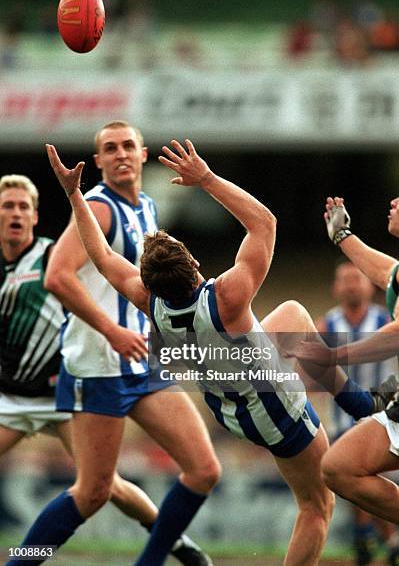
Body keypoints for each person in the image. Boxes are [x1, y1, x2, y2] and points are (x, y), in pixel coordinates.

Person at [45, 139, 396, 566]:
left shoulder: (148, 303)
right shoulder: (226, 296)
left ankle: (359, 403)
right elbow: (264, 223)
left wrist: (73, 194)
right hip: (271, 404)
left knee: (292, 315)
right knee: (317, 505)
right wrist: (206, 179)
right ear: (193, 263)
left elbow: (101, 257)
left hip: (229, 405)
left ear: (150, 282)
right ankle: (360, 403)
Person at [6, 125, 221, 566]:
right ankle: (21, 562)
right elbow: (58, 276)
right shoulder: (100, 207)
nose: (120, 154)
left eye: (127, 146)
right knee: (93, 492)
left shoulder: (147, 205)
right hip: (98, 363)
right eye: (109, 149)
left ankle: (152, 561)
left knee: (204, 469)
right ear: (98, 161)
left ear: (142, 155)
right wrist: (111, 330)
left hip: (140, 359)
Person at [290, 197, 399, 546]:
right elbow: (386, 272)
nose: (393, 202)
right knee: (339, 467)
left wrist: (332, 355)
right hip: (378, 404)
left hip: (381, 399)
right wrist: (342, 236)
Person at [317, 261, 399, 565]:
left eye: (357, 278)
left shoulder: (386, 316)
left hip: (386, 414)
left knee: (364, 478)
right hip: (344, 415)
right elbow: (307, 367)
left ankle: (379, 537)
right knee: (349, 475)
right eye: (345, 280)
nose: (352, 285)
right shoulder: (326, 325)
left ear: (371, 286)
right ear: (336, 287)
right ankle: (374, 538)